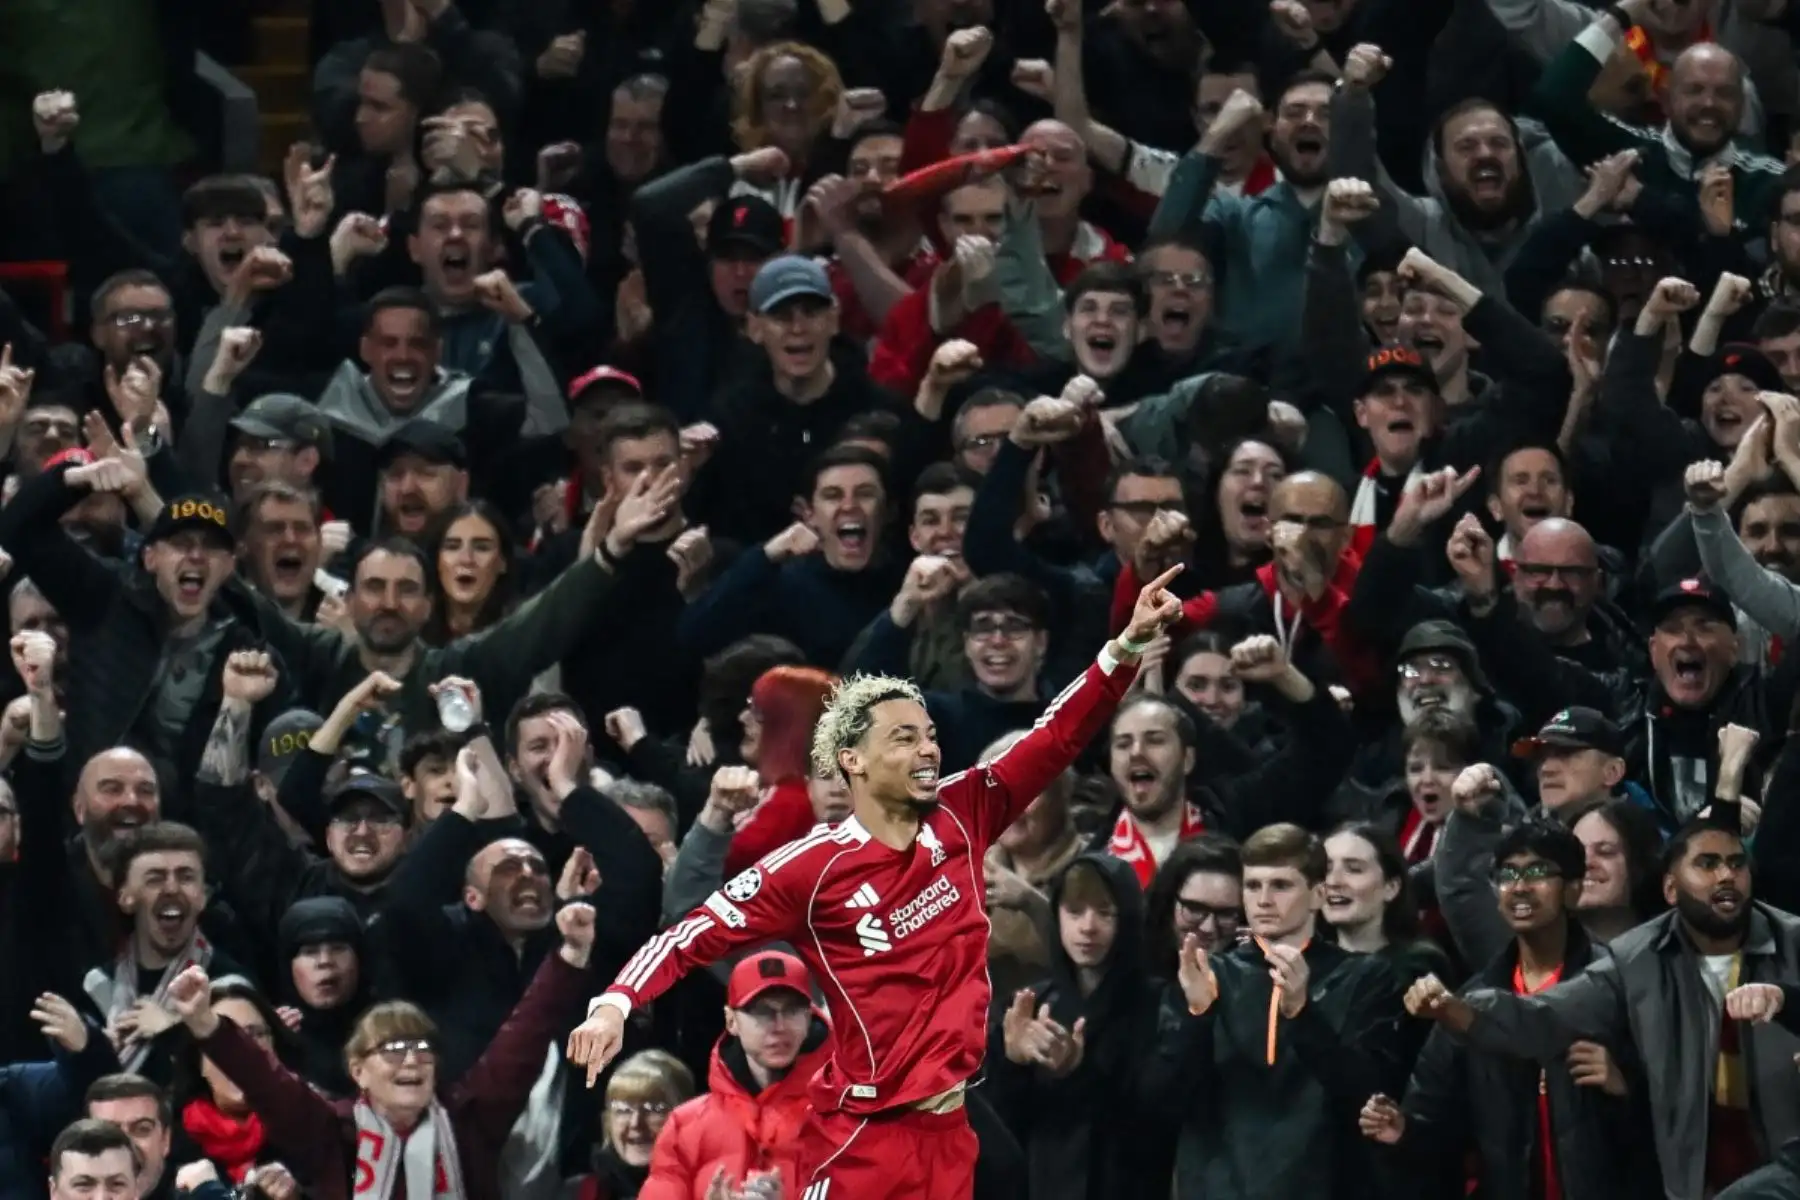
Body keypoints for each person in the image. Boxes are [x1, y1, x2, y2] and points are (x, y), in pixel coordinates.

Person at [567, 567, 1187, 1198]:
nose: (927, 751)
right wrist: (616, 1002)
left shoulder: (965, 809)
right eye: (903, 739)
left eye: (930, 736)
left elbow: (1056, 734)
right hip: (868, 1133)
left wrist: (1125, 647)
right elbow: (691, 932)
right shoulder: (808, 868)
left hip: (954, 1120)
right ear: (853, 761)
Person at [1406, 809, 1800, 1197]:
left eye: (1736, 864)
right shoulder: (1634, 958)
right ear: (1670, 888)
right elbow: (1550, 1015)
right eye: (1708, 864)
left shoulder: (1794, 942)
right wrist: (1461, 1010)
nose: (1726, 875)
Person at [641, 951, 832, 1197]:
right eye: (762, 1011)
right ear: (731, 1021)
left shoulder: (845, 1121)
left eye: (792, 1010)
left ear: (808, 1018)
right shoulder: (685, 1126)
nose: (779, 1026)